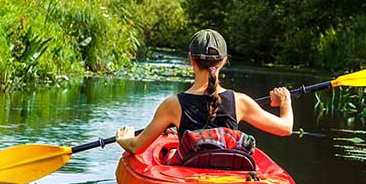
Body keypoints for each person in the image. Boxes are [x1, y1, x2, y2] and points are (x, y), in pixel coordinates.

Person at [115, 29, 293, 156]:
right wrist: (285, 103)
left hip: (190, 174)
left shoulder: (172, 105)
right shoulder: (240, 102)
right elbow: (285, 128)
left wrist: (124, 139)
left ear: (191, 59)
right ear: (224, 61)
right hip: (227, 173)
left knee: (171, 154)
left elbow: (136, 147)